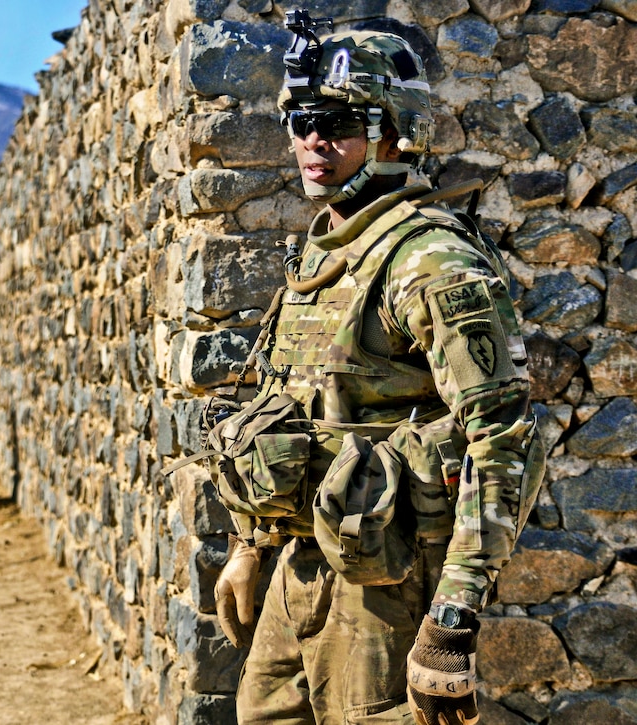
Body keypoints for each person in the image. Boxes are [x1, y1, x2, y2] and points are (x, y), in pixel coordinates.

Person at [206, 12, 545, 725]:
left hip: (387, 588)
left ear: (395, 133)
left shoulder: (429, 260)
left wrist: (451, 620)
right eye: (300, 122)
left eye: (338, 123)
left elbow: (504, 437)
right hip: (303, 564)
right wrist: (248, 545)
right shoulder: (320, 252)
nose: (312, 141)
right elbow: (286, 410)